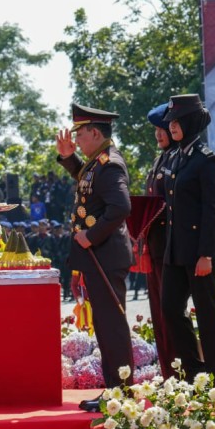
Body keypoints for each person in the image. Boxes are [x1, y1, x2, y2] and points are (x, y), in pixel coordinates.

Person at [55, 103, 133, 412]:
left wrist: (91, 235)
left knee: (112, 326)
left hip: (106, 257)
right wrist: (68, 157)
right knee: (104, 324)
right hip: (99, 258)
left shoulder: (110, 164)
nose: (77, 139)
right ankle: (114, 391)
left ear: (96, 133)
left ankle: (121, 393)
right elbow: (89, 184)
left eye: (81, 134)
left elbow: (120, 207)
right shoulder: (97, 162)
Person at [161, 94, 215, 384]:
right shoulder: (174, 157)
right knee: (170, 308)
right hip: (176, 251)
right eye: (171, 121)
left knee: (207, 313)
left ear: (190, 122)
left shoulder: (207, 161)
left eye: (177, 121)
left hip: (201, 252)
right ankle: (193, 369)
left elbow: (212, 212)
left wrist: (206, 255)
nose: (172, 126)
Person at [141, 102, 178, 379]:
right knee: (158, 315)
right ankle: (167, 375)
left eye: (162, 128)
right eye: (156, 129)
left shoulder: (178, 159)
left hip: (171, 249)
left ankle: (178, 375)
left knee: (171, 316)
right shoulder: (159, 161)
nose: (158, 134)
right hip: (154, 248)